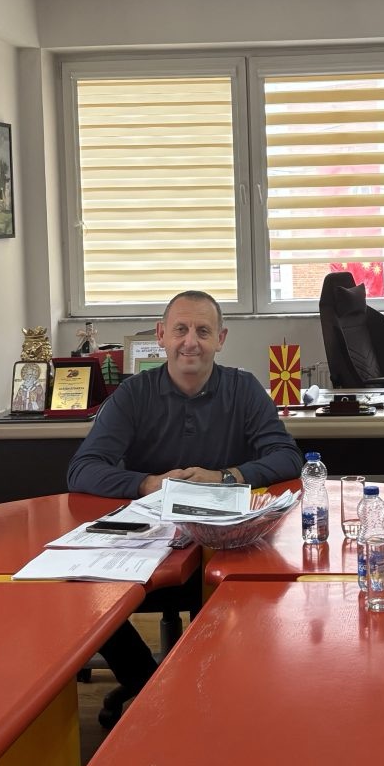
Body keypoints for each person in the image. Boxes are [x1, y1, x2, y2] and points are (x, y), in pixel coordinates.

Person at [68, 290, 303, 725]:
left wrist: (226, 476)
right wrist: (149, 483)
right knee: (80, 589)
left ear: (221, 339)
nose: (190, 342)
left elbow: (287, 457)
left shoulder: (243, 389)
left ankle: (217, 690)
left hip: (226, 544)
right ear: (161, 335)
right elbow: (83, 469)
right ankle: (149, 688)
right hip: (151, 543)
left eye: (202, 331)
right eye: (180, 330)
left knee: (262, 593)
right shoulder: (134, 394)